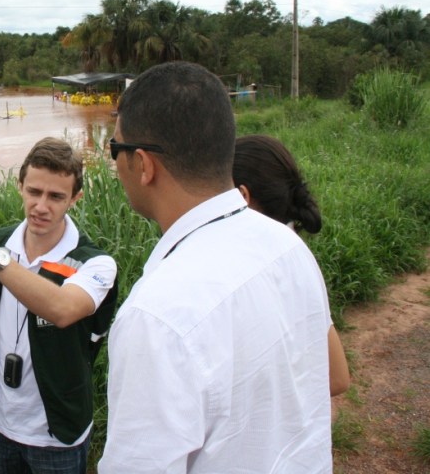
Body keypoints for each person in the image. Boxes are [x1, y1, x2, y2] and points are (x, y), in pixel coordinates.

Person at [99, 62, 333, 473]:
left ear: (144, 164)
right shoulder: (288, 247)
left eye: (115, 150)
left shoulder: (156, 318)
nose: (115, 163)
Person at [0, 137, 118, 474]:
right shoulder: (1, 242)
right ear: (20, 186)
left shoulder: (95, 264)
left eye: (56, 196)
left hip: (56, 433)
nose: (41, 206)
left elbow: (62, 310)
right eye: (34, 192)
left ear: (76, 198)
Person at [233, 134, 350, 396]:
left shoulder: (248, 273)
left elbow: (337, 378)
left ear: (243, 197)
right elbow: (338, 377)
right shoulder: (295, 255)